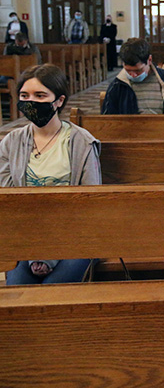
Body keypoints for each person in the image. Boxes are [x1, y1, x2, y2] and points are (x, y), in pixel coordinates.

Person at [0, 64, 101, 284]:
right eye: (25, 95)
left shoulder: (81, 142)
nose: (31, 102)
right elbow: (8, 201)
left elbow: (91, 203)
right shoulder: (11, 142)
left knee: (53, 288)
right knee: (19, 291)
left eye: (40, 95)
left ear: (59, 101)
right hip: (27, 236)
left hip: (74, 235)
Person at [101, 37, 164, 115]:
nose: (133, 75)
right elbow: (107, 121)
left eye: (138, 70)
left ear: (149, 60)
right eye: (128, 70)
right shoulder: (117, 85)